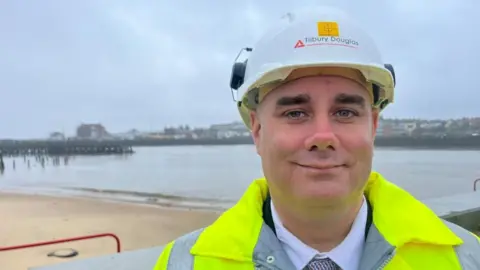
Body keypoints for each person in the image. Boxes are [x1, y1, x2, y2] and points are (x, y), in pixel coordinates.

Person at [154, 6, 480, 270]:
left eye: (345, 112)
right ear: (257, 129)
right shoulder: (184, 263)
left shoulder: (465, 258)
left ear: (373, 125)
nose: (323, 137)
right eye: (295, 113)